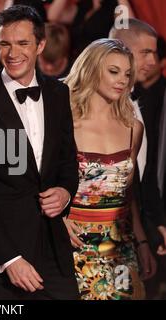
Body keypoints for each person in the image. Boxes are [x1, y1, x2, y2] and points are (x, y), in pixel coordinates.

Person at [0, 5, 79, 300]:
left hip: (55, 252)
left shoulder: (58, 93)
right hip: (2, 264)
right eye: (5, 43)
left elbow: (68, 160)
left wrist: (65, 192)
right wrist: (9, 259)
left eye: (22, 43)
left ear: (40, 45)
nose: (12, 53)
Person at [64, 38, 156, 300]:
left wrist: (142, 242)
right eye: (113, 71)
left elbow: (128, 195)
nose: (123, 80)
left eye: (128, 74)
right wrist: (58, 218)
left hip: (119, 247)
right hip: (74, 244)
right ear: (92, 70)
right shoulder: (65, 121)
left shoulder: (133, 128)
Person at [109, 19, 166, 262]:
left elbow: (139, 176)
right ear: (121, 49)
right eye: (145, 53)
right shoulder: (99, 103)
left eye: (154, 53)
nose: (153, 62)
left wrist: (154, 225)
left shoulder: (133, 103)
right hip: (98, 232)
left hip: (131, 229)